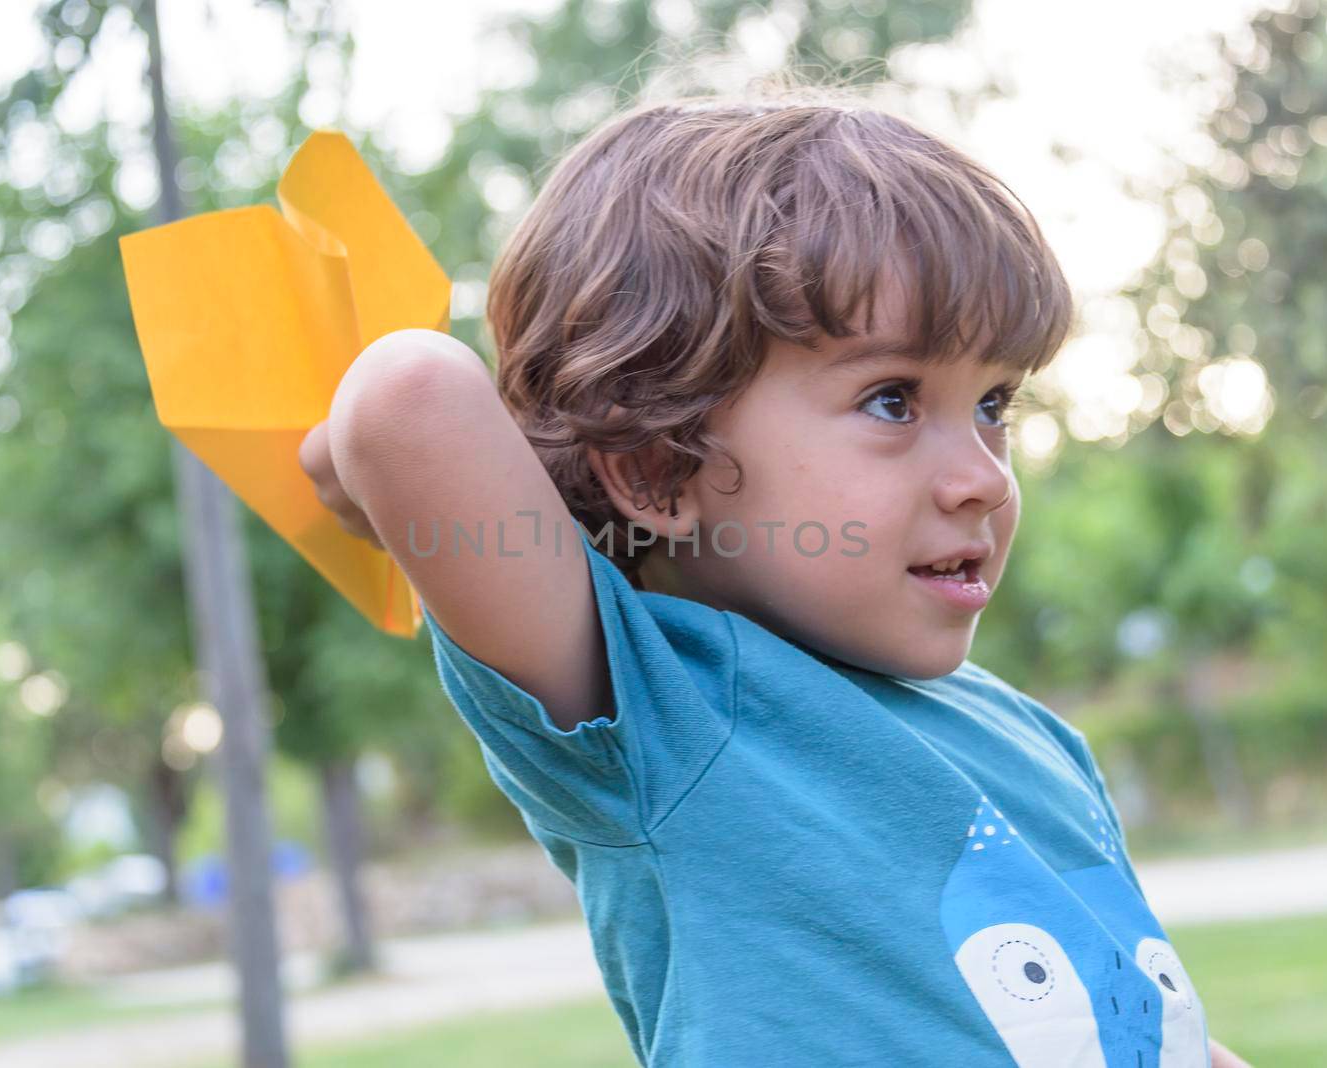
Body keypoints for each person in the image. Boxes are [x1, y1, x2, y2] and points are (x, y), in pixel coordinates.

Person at [299, 85, 1250, 1068]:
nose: (982, 479)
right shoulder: (661, 715)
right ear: (659, 468)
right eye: (892, 401)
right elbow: (411, 394)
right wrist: (358, 459)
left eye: (994, 402)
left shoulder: (1029, 734)